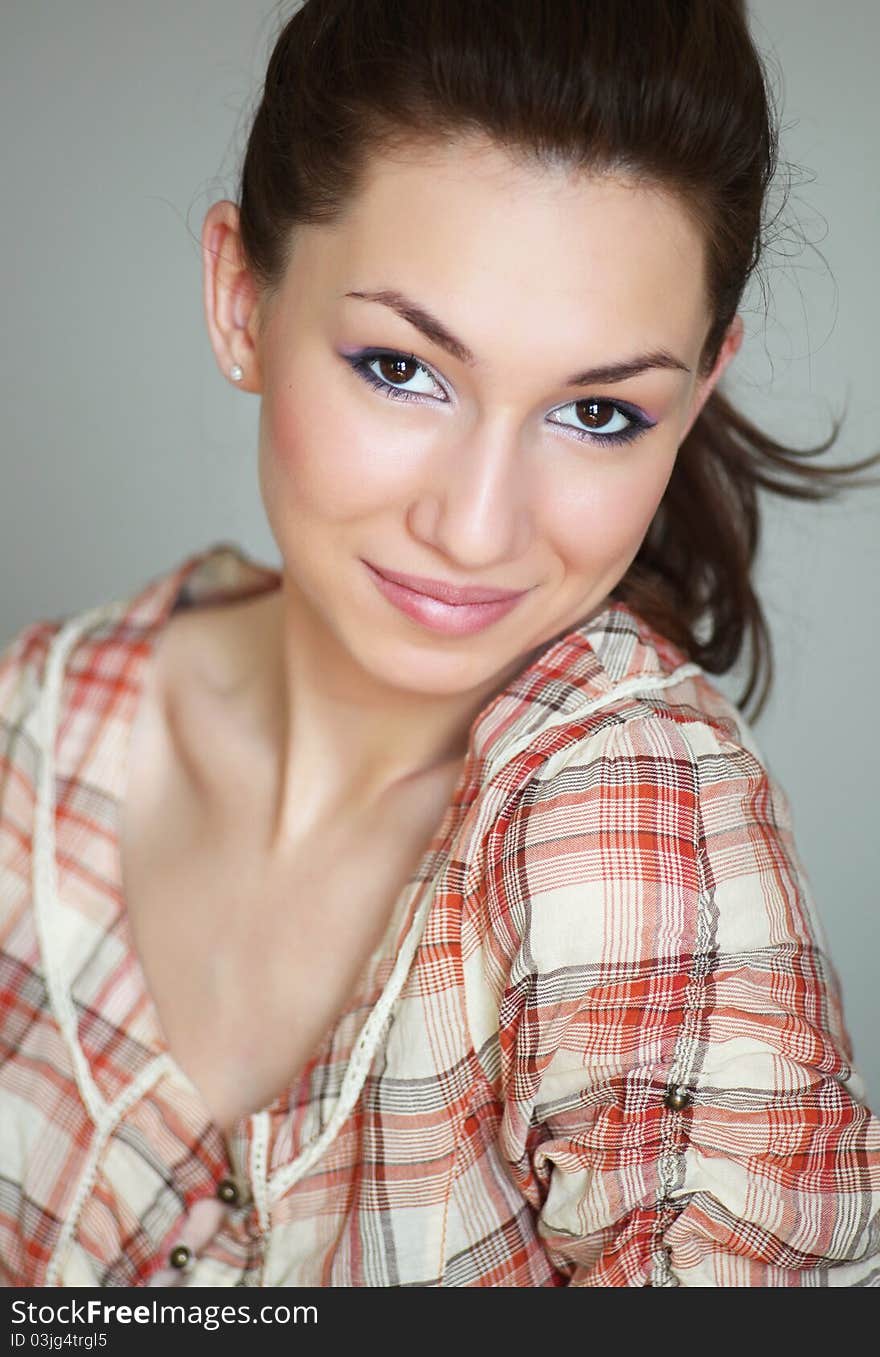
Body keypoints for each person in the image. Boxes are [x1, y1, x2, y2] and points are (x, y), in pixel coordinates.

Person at [1, 0, 879, 1289]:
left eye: (596, 411)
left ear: (697, 396)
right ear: (242, 298)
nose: (475, 529)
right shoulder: (39, 719)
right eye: (402, 369)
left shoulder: (634, 807)